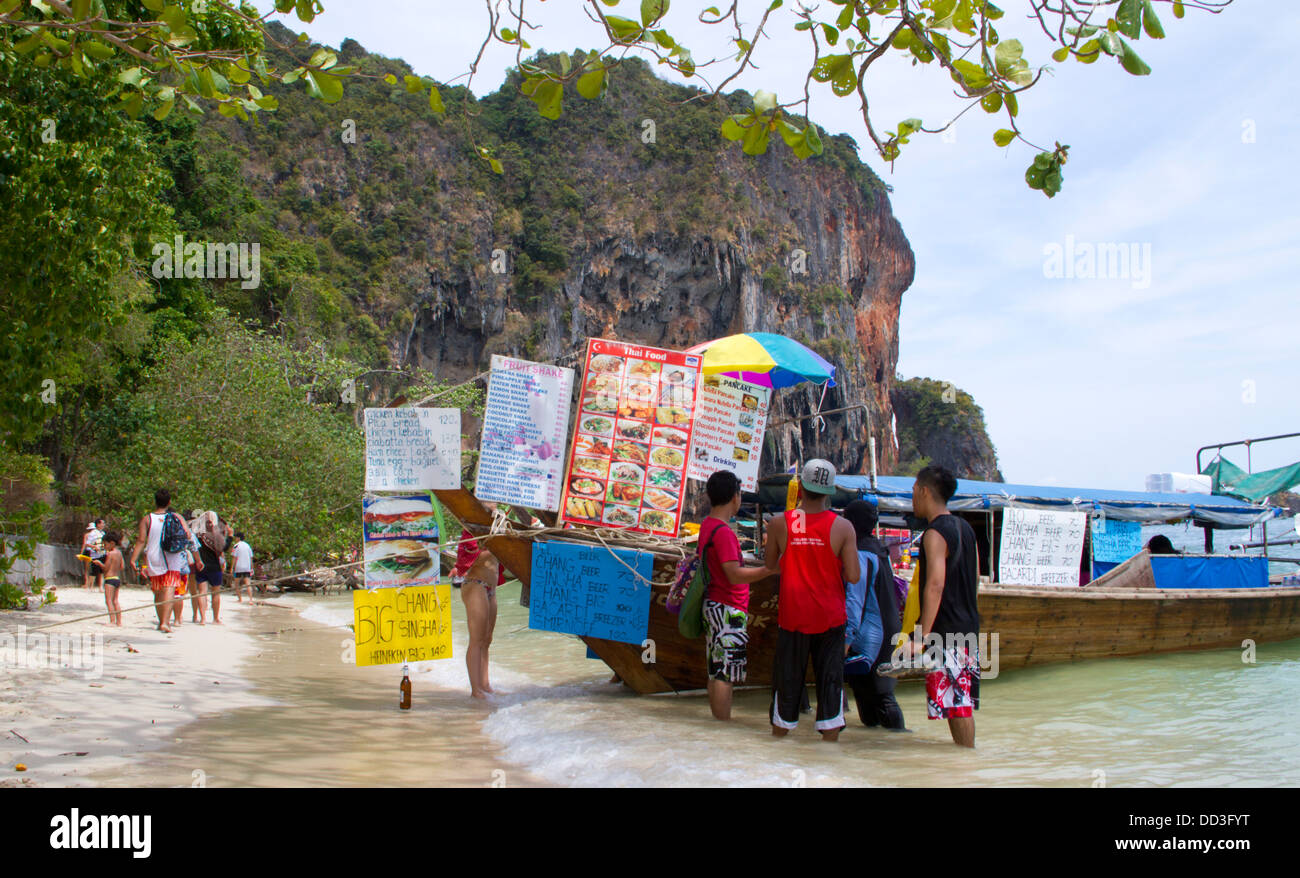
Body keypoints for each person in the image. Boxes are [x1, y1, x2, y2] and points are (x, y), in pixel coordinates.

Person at [764, 459, 860, 741]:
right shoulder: (843, 527)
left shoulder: (780, 523)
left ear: (801, 488)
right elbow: (853, 576)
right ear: (829, 491)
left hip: (793, 618)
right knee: (830, 690)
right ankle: (828, 763)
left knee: (786, 691)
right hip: (830, 619)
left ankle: (777, 757)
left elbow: (770, 564)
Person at [907, 465, 981, 748]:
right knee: (957, 700)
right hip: (967, 625)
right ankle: (964, 762)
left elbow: (935, 585)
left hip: (947, 629)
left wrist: (921, 636)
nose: (912, 496)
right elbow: (974, 579)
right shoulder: (965, 529)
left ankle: (966, 761)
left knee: (957, 703)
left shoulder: (934, 533)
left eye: (914, 490)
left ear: (925, 491)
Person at [698, 470, 772, 720]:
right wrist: (768, 569)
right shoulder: (723, 532)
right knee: (724, 673)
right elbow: (734, 574)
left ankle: (718, 727)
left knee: (716, 669)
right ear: (735, 497)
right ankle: (722, 726)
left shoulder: (707, 525)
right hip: (728, 607)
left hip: (714, 604)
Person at [842, 500, 906, 730]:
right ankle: (880, 746)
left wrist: (847, 638)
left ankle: (896, 739)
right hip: (887, 625)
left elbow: (855, 598)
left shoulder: (860, 552)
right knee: (872, 691)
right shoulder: (879, 549)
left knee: (880, 693)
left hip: (870, 629)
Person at [129, 489, 194, 634]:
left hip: (154, 557)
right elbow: (188, 535)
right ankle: (166, 622)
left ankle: (161, 621)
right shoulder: (177, 516)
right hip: (172, 557)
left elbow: (141, 540)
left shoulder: (147, 519)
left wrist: (133, 559)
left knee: (158, 590)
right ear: (169, 502)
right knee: (169, 588)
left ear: (155, 501)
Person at [451, 527, 505, 699]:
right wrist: (496, 546)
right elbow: (469, 559)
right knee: (477, 639)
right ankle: (475, 690)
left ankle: (485, 684)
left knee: (487, 639)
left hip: (491, 588)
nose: (494, 503)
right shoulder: (473, 531)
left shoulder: (499, 528)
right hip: (475, 584)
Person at [190, 510, 225, 624]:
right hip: (214, 566)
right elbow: (221, 550)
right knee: (215, 593)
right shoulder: (217, 535)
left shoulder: (198, 534)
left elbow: (194, 549)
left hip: (201, 565)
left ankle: (203, 618)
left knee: (202, 592)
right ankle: (215, 618)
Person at [94, 531, 125, 626]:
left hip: (109, 579)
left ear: (112, 543)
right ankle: (119, 622)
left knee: (108, 601)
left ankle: (112, 621)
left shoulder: (110, 554)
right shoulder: (119, 553)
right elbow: (122, 566)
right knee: (115, 601)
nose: (104, 546)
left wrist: (99, 563)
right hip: (117, 578)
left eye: (105, 544)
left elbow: (105, 568)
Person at [82, 519, 106, 590]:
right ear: (98, 524)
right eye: (102, 523)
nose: (103, 525)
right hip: (95, 554)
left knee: (102, 570)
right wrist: (94, 546)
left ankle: (101, 586)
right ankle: (90, 585)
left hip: (102, 553)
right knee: (94, 571)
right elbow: (87, 543)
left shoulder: (103, 533)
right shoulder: (93, 533)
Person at [230, 532, 253, 602]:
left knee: (236, 583)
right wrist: (251, 568)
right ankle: (250, 600)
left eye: (236, 537)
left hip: (238, 567)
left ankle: (240, 599)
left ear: (238, 538)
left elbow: (234, 558)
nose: (235, 539)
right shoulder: (248, 546)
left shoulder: (236, 546)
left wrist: (231, 568)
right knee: (248, 583)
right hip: (247, 567)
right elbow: (251, 557)